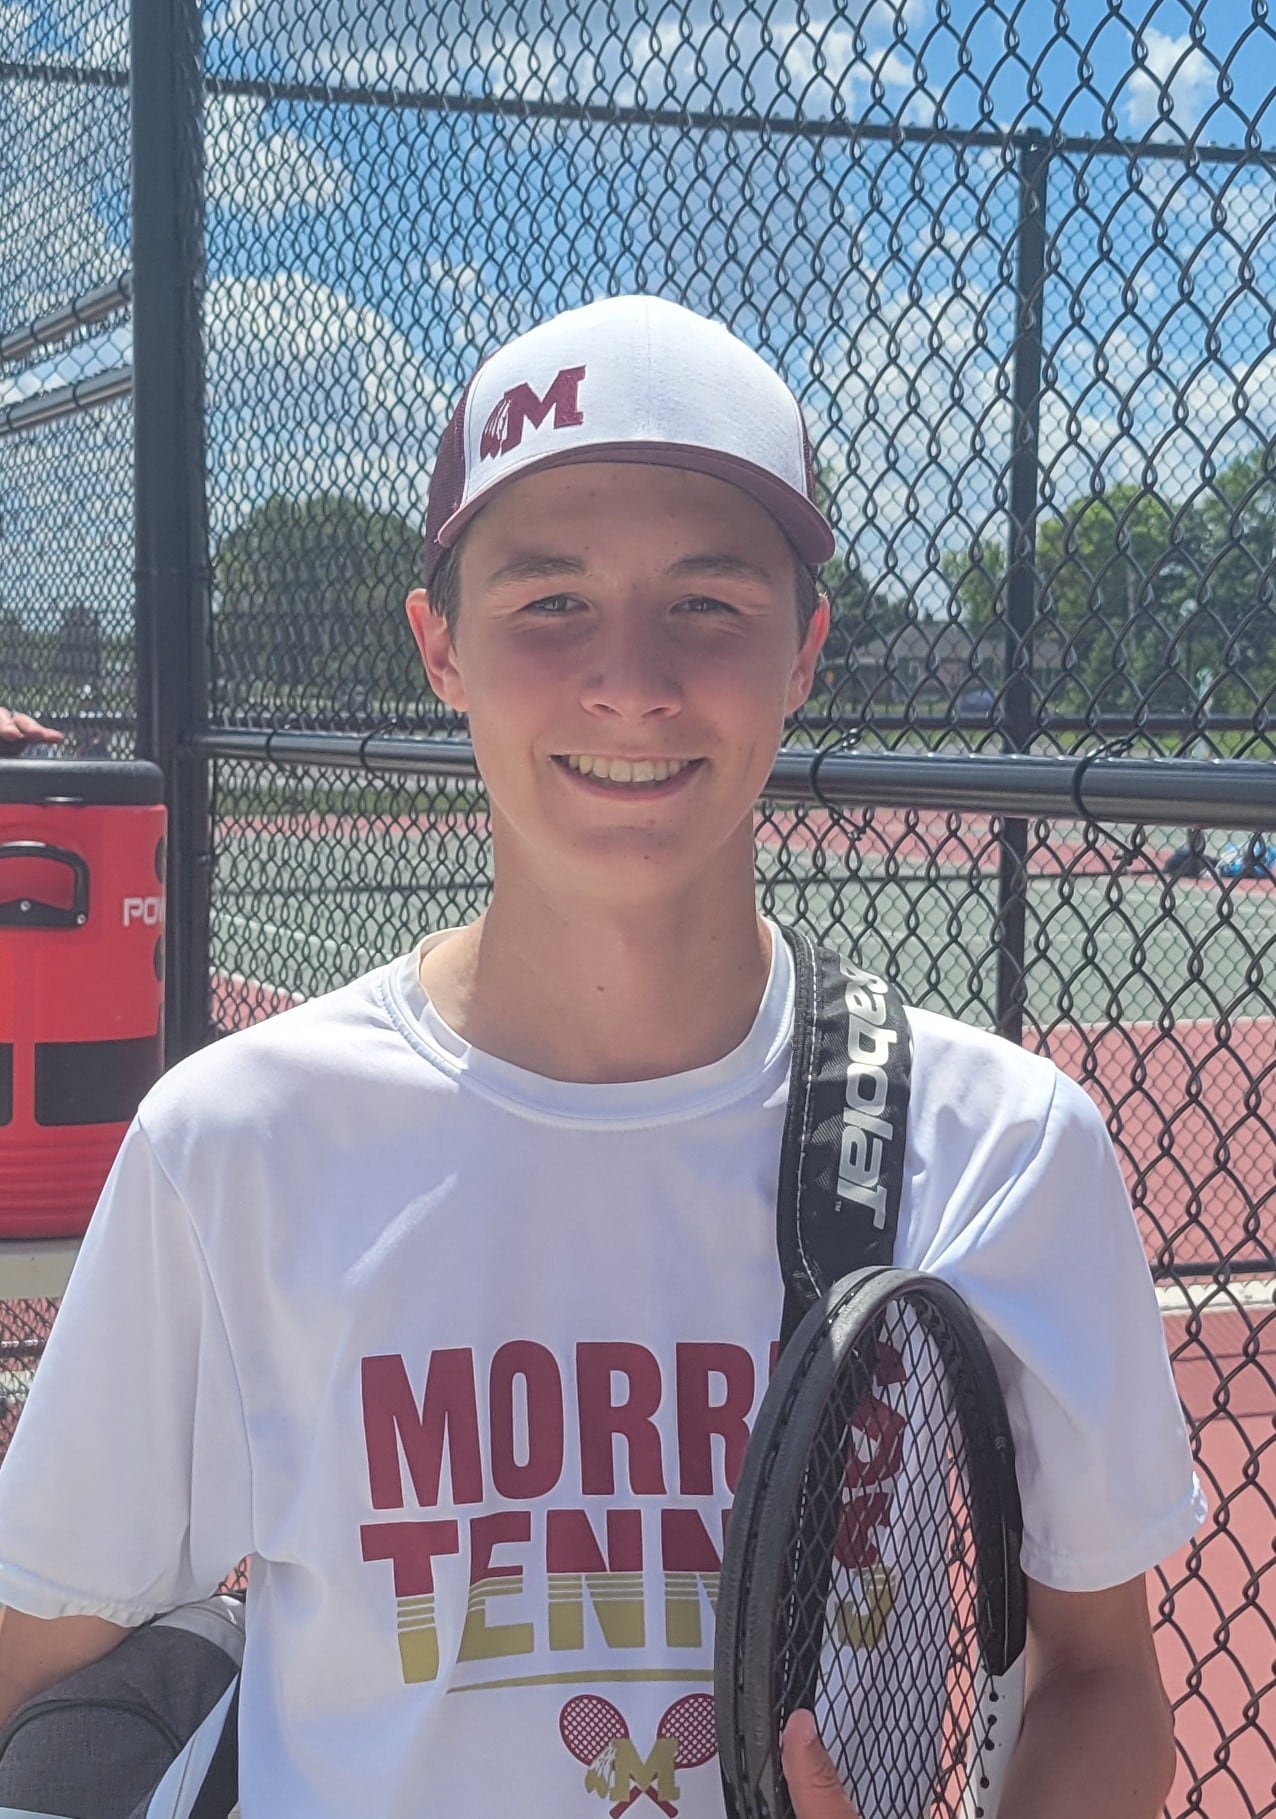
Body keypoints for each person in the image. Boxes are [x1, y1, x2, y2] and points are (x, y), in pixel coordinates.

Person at [0, 296, 1203, 1818]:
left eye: (708, 603)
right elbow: (43, 1663)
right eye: (549, 600)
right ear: (438, 644)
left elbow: (1103, 1677)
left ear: (806, 649)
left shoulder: (1008, 1147)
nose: (631, 680)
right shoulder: (233, 1144)